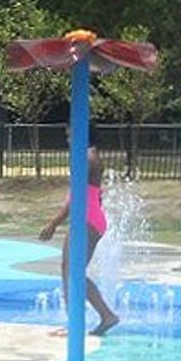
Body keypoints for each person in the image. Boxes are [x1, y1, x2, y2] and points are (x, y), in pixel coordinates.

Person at [38, 127, 119, 336]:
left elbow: (77, 196)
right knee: (70, 270)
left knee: (72, 272)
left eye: (70, 134)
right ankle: (90, 318)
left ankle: (91, 319)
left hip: (86, 217)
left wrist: (53, 223)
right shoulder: (90, 156)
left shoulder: (87, 158)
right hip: (89, 216)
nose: (67, 138)